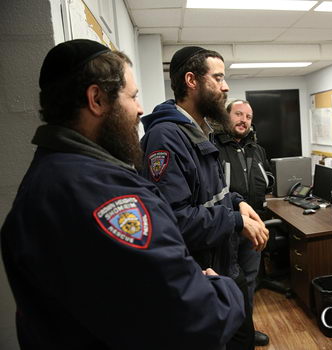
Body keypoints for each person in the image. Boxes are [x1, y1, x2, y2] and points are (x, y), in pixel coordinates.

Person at [0, 39, 245, 349]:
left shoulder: (49, 177)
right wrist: (223, 288)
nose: (140, 109)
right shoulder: (101, 195)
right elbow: (195, 316)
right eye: (133, 96)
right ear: (97, 99)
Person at [140, 46, 269, 350]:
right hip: (200, 274)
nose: (225, 86)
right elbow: (174, 220)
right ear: (191, 80)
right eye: (218, 78)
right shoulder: (167, 138)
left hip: (225, 263)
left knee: (244, 338)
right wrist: (236, 220)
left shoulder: (201, 130)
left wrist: (238, 200)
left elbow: (215, 190)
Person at [213, 100, 274, 346]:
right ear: (227, 116)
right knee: (227, 281)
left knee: (249, 280)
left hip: (255, 222)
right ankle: (228, 335)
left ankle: (246, 331)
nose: (244, 120)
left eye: (248, 116)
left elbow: (267, 174)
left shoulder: (255, 147)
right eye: (238, 114)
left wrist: (265, 183)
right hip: (227, 224)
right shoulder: (214, 145)